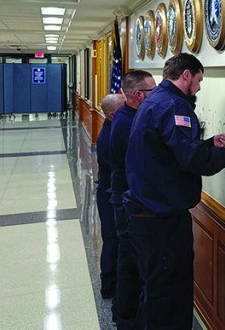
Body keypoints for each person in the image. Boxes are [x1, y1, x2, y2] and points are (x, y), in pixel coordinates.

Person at [124, 53, 225, 329]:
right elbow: (190, 160)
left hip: (145, 216)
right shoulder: (174, 106)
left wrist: (211, 144)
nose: (199, 87)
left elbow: (170, 152)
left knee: (154, 293)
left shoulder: (155, 101)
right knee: (168, 298)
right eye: (199, 80)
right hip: (160, 224)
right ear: (186, 75)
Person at [110, 70, 156, 330]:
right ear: (139, 95)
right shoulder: (129, 124)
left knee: (128, 262)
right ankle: (127, 321)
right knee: (130, 265)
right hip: (128, 203)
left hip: (125, 199)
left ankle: (123, 314)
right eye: (153, 90)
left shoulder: (130, 116)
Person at [96, 93, 125, 304]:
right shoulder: (109, 138)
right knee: (112, 240)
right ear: (113, 114)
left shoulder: (115, 128)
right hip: (109, 196)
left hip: (110, 193)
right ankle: (109, 286)